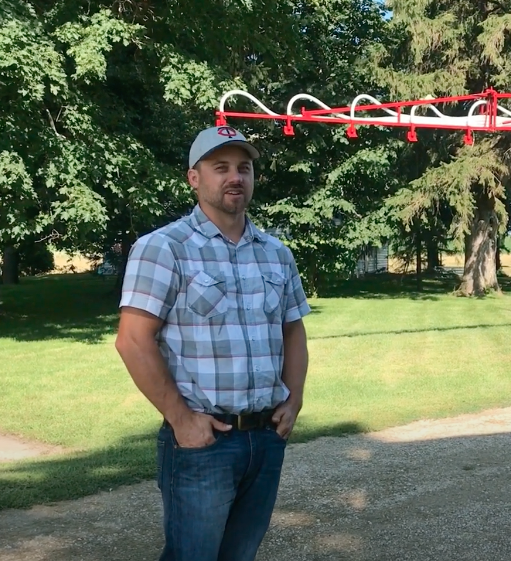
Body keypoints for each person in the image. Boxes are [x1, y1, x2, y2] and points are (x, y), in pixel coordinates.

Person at [115, 125, 311, 561]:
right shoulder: (164, 248)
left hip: (265, 438)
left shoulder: (276, 253)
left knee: (239, 555)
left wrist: (293, 400)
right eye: (220, 167)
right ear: (194, 178)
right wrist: (182, 420)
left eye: (244, 167)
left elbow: (293, 329)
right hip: (203, 442)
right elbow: (132, 340)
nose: (234, 177)